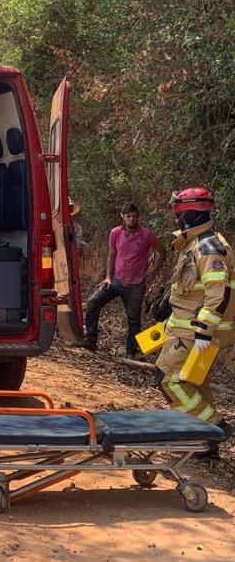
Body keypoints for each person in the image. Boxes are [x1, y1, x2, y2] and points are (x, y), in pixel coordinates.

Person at [155, 187, 234, 455]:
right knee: (195, 384)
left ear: (188, 213)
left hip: (195, 334)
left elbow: (218, 295)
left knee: (169, 380)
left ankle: (215, 427)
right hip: (187, 328)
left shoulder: (208, 247)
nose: (177, 218)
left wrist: (203, 332)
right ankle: (204, 443)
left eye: (178, 212)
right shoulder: (195, 243)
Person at [73, 202, 166, 358]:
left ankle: (131, 350)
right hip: (115, 280)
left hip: (135, 285)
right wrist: (108, 277)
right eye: (128, 216)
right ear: (123, 217)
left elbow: (162, 252)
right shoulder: (115, 233)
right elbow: (112, 255)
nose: (131, 219)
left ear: (138, 217)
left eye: (134, 216)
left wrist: (151, 276)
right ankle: (90, 338)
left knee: (133, 318)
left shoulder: (146, 235)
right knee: (93, 302)